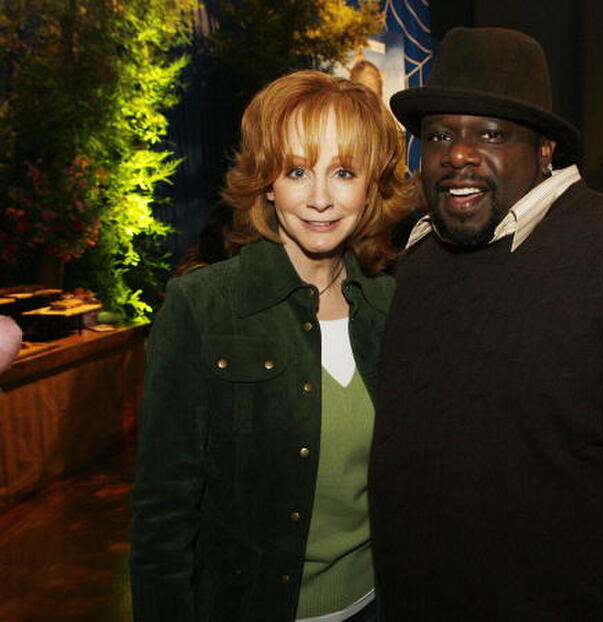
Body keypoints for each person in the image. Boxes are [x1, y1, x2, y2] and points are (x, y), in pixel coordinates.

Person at [369, 27, 603, 620]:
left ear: (545, 149)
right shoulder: (415, 260)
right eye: (440, 135)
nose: (458, 154)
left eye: (491, 134)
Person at [130, 70, 412, 622]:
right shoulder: (203, 307)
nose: (321, 199)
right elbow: (162, 513)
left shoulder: (390, 306)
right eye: (297, 171)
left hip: (376, 603)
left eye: (344, 172)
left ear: (371, 187)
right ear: (266, 182)